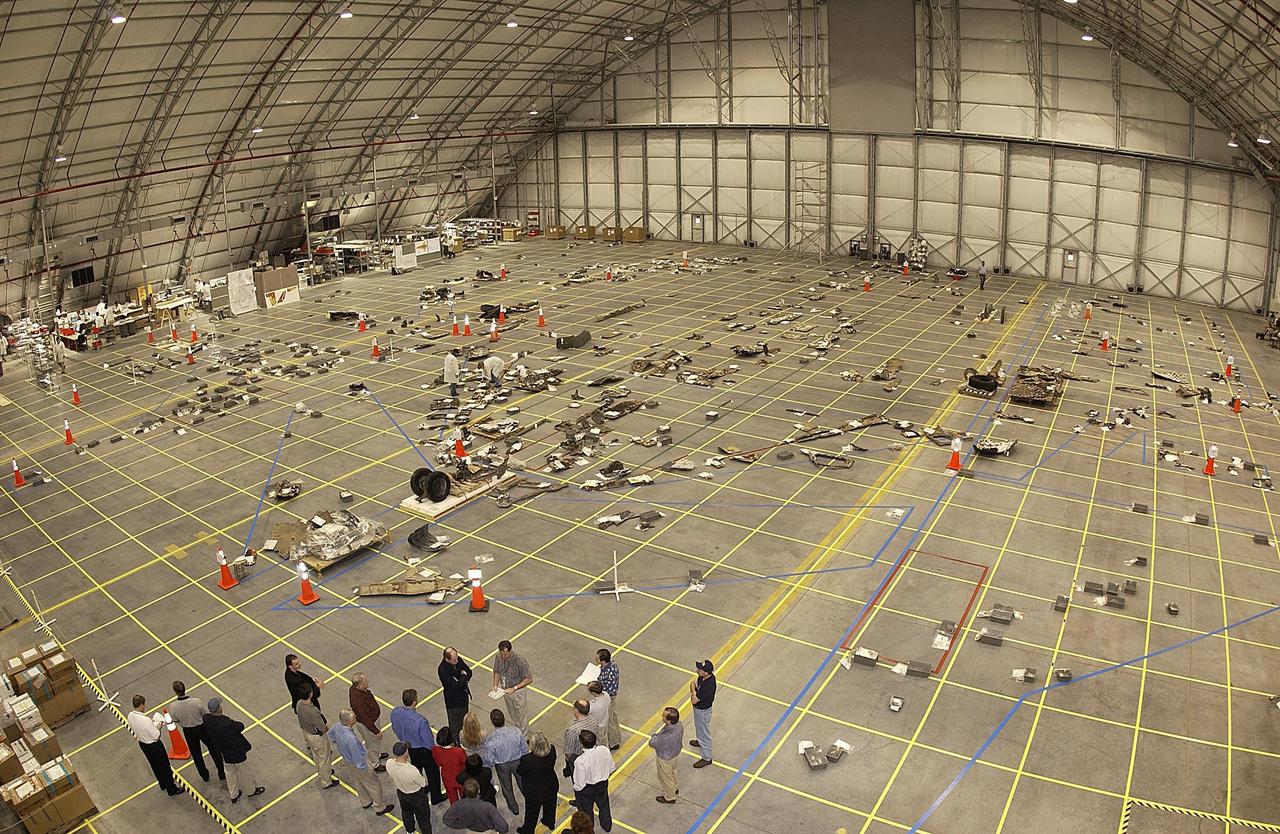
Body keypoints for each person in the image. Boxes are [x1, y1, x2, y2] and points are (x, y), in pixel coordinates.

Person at [389, 689, 449, 804]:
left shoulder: (395, 712)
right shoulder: (420, 721)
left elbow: (395, 728)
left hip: (409, 747)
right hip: (423, 750)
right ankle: (436, 796)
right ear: (414, 702)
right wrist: (434, 752)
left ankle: (421, 789)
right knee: (433, 773)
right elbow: (428, 741)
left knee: (417, 768)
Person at [330, 709, 393, 815]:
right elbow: (358, 758)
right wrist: (366, 768)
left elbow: (331, 736)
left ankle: (365, 801)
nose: (356, 716)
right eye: (354, 717)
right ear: (350, 721)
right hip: (359, 764)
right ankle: (379, 807)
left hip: (348, 761)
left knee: (358, 782)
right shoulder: (351, 740)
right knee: (374, 784)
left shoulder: (337, 726)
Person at [202, 697, 265, 803]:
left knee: (229, 773)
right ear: (219, 709)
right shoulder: (226, 723)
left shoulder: (206, 719)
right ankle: (250, 790)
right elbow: (240, 726)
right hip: (235, 752)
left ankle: (233, 794)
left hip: (222, 752)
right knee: (245, 772)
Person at [168, 680, 224, 784]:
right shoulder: (196, 702)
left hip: (188, 731)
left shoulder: (173, 706)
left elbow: (176, 720)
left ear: (175, 692)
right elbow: (205, 714)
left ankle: (204, 775)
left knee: (196, 754)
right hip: (202, 728)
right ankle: (221, 771)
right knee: (213, 748)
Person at [126, 695, 181, 796]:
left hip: (143, 744)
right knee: (164, 766)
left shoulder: (130, 716)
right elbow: (156, 735)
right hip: (154, 746)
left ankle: (162, 783)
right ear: (141, 705)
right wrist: (159, 725)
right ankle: (171, 789)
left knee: (155, 765)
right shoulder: (145, 720)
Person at [481, 709, 527, 815]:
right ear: (504, 719)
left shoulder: (491, 740)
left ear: (492, 722)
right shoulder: (516, 731)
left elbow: (490, 760)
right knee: (523, 782)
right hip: (517, 762)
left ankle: (514, 808)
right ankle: (529, 799)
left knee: (507, 788)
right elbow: (524, 749)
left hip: (502, 766)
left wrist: (496, 763)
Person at [294, 682, 340, 789]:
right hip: (317, 737)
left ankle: (322, 772)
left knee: (317, 755)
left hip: (307, 733)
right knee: (324, 757)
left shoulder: (299, 704)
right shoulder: (312, 711)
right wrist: (325, 728)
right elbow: (322, 727)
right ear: (310, 694)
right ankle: (326, 780)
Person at [571, 730, 614, 832]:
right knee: (604, 806)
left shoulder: (580, 761)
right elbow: (612, 767)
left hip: (587, 789)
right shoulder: (604, 750)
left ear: (582, 743)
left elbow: (579, 784)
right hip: (602, 785)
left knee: (586, 812)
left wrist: (577, 790)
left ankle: (589, 830)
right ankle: (607, 826)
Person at [515, 732, 558, 834]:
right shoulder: (552, 750)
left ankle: (528, 830)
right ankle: (549, 821)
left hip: (534, 790)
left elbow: (520, 771)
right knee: (551, 805)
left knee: (532, 811)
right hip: (550, 784)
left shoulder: (527, 760)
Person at [386, 742, 433, 834]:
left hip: (401, 794)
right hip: (416, 796)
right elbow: (423, 783)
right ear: (405, 753)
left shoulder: (389, 763)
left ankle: (409, 830)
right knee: (423, 817)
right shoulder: (412, 771)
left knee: (406, 812)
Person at [349, 672, 387, 771]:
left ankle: (377, 755)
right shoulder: (358, 701)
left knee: (374, 742)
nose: (368, 681)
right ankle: (375, 763)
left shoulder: (355, 689)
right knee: (372, 742)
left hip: (371, 720)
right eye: (365, 680)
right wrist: (376, 731)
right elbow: (365, 719)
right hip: (368, 724)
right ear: (360, 685)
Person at [492, 640, 533, 733]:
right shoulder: (498, 656)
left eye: (505, 654)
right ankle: (518, 730)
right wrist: (495, 684)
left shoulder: (520, 661)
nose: (503, 657)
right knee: (512, 712)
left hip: (517, 691)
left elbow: (529, 678)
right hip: (505, 689)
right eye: (502, 654)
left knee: (521, 714)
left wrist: (515, 688)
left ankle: (525, 736)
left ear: (510, 651)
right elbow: (497, 671)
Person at [442, 779, 509, 833]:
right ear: (479, 791)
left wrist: (461, 825)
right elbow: (503, 826)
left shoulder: (458, 804)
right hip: (487, 828)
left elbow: (446, 819)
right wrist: (497, 830)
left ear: (464, 791)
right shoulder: (488, 806)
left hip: (469, 828)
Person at [649, 707, 683, 804]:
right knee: (672, 772)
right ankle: (674, 788)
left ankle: (670, 797)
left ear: (668, 721)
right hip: (675, 753)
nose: (662, 716)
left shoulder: (665, 737)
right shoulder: (679, 725)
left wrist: (654, 736)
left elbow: (652, 743)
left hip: (665, 759)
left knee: (665, 777)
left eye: (664, 716)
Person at [438, 647, 473, 739]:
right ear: (447, 659)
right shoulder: (443, 670)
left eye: (457, 658)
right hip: (453, 703)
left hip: (463, 697)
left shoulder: (457, 660)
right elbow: (456, 686)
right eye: (454, 660)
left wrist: (463, 678)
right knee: (455, 726)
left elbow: (469, 671)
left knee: (464, 720)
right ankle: (456, 743)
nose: (457, 661)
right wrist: (463, 675)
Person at [690, 660, 716, 768]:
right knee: (699, 728)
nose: (697, 670)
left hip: (703, 711)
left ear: (706, 672)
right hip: (699, 709)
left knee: (704, 732)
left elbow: (694, 700)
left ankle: (707, 758)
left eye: (700, 669)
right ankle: (700, 741)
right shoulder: (702, 678)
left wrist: (693, 692)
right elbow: (693, 684)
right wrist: (694, 692)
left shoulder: (708, 686)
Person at [433, 726, 468, 804]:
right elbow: (466, 764)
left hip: (447, 778)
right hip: (460, 777)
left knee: (452, 798)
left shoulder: (435, 750)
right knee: (464, 794)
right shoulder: (459, 752)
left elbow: (438, 763)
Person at [562, 699, 595, 778]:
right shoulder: (594, 719)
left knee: (577, 776)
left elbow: (568, 751)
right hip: (591, 753)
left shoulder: (572, 730)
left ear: (577, 710)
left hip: (577, 756)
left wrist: (569, 760)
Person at [595, 649, 621, 750]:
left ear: (603, 660)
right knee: (613, 717)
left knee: (610, 719)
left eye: (597, 658)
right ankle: (617, 736)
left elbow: (604, 689)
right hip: (612, 695)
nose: (595, 659)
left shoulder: (607, 673)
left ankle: (614, 742)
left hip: (608, 697)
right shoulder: (613, 664)